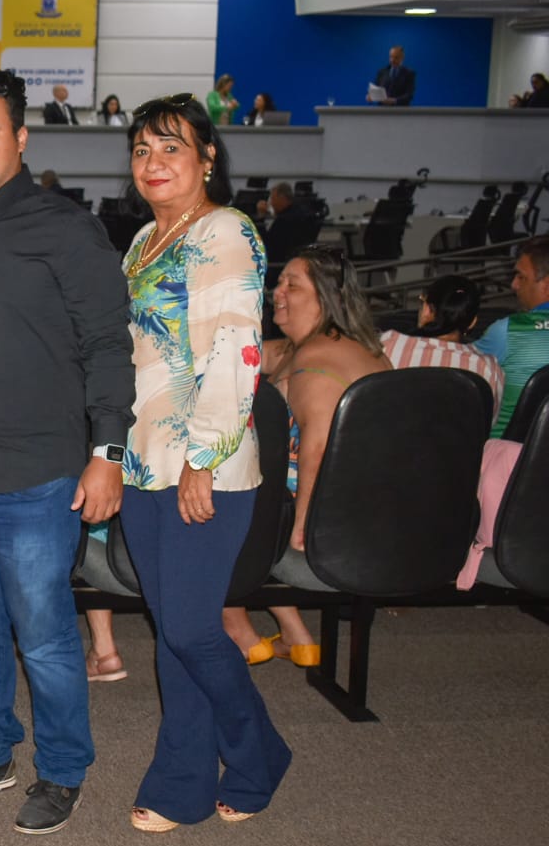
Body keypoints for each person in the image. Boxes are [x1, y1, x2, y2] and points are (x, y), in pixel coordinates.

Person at [0, 65, 134, 834]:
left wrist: (107, 450)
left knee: (43, 637)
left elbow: (109, 345)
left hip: (36, 481)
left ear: (20, 138)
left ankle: (64, 769)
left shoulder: (65, 229)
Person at [114, 92, 290, 832]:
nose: (154, 163)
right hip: (142, 461)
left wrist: (202, 459)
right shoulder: (141, 243)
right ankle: (181, 781)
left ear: (207, 156)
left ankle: (259, 754)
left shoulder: (224, 231)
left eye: (172, 148)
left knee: (190, 629)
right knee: (173, 631)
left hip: (202, 464)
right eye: (142, 150)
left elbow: (235, 350)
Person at [231, 245, 391, 658]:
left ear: (324, 297)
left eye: (292, 285)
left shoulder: (315, 362)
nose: (277, 292)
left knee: (198, 506)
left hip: (323, 507)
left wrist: (305, 525)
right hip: (366, 500)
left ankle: (239, 632)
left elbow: (316, 448)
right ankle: (295, 632)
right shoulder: (340, 347)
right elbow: (250, 353)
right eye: (279, 282)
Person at [380, 274, 505, 423]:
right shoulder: (489, 369)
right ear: (472, 322)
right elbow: (486, 425)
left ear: (427, 310)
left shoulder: (389, 344)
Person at [474, 236, 549, 438]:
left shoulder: (508, 330)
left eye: (521, 277)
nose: (513, 285)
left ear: (547, 285)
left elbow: (459, 365)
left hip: (511, 459)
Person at [255, 181, 318, 273]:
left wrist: (261, 218)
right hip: (299, 261)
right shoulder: (302, 213)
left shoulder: (284, 220)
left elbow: (267, 245)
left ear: (281, 198)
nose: (271, 203)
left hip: (278, 266)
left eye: (272, 198)